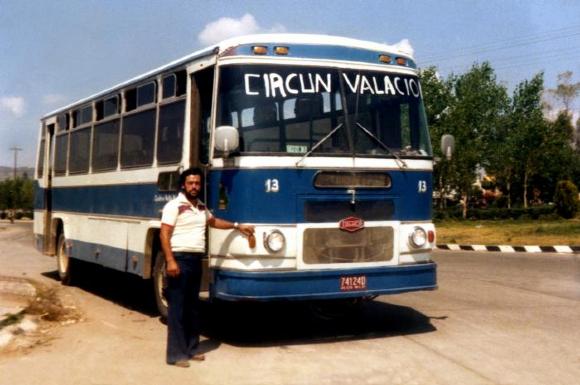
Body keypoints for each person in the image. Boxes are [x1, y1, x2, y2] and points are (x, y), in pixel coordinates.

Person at [160, 167, 254, 368]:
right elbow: (164, 234)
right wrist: (170, 260)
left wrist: (237, 225)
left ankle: (192, 349)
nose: (194, 186)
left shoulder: (201, 207)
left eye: (197, 183)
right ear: (183, 185)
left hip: (195, 260)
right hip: (179, 259)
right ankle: (175, 355)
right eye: (190, 183)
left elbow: (214, 221)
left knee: (192, 307)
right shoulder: (174, 206)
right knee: (177, 308)